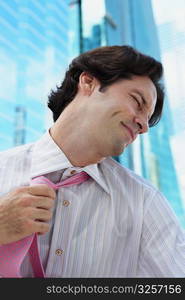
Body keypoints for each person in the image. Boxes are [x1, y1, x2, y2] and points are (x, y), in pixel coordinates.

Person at [0, 45, 184, 278]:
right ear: (88, 82)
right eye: (137, 101)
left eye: (147, 120)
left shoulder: (145, 203)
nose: (144, 126)